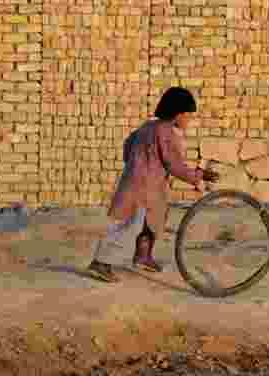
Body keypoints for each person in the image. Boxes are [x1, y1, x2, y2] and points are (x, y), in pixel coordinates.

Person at [88, 87, 220, 282]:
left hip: (145, 185)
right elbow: (174, 164)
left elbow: (127, 147)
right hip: (141, 188)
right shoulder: (164, 131)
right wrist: (199, 175)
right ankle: (101, 262)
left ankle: (143, 256)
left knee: (152, 222)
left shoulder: (148, 127)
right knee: (130, 226)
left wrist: (137, 163)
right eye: (187, 115)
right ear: (176, 113)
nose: (188, 120)